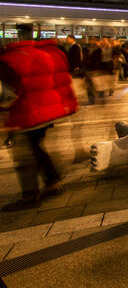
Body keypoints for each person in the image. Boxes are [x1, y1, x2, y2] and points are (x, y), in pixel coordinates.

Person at [1, 24, 78, 211]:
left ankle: (30, 195)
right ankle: (52, 180)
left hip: (27, 112)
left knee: (24, 155)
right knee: (36, 147)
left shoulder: (9, 59)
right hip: (47, 111)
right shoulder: (43, 53)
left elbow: (7, 94)